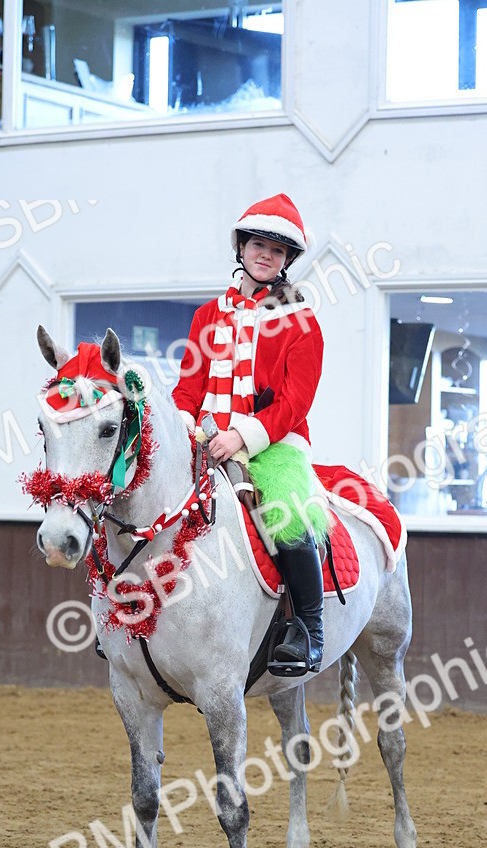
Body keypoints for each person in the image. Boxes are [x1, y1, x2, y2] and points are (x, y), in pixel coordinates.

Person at [172, 193, 328, 675]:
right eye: (259, 244)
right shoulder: (206, 317)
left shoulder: (302, 323)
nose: (266, 255)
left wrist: (241, 437)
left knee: (285, 514)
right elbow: (186, 391)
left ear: (286, 262)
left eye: (277, 251)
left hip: (274, 447)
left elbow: (294, 403)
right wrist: (188, 430)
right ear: (241, 248)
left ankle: (309, 629)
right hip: (202, 442)